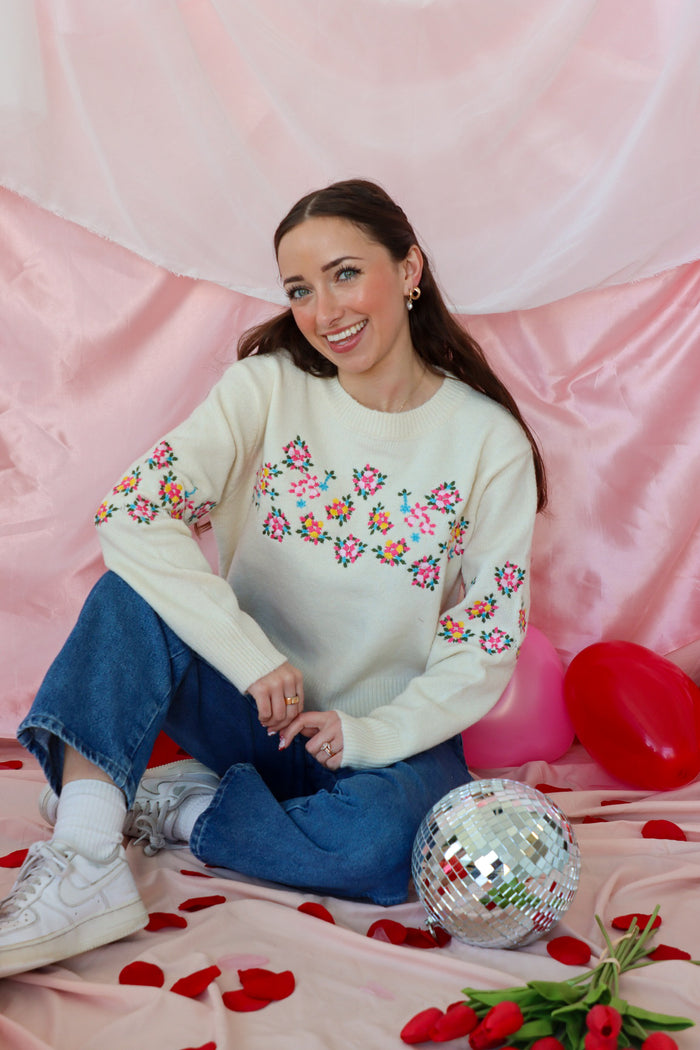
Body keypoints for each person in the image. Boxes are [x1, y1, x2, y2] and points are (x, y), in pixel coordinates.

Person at [0, 178, 546, 978]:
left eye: (346, 273)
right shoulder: (266, 389)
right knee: (131, 593)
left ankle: (182, 810)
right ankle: (84, 857)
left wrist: (369, 734)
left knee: (385, 846)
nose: (326, 310)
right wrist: (250, 654)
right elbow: (132, 513)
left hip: (377, 738)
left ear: (409, 269)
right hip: (250, 702)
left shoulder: (485, 441)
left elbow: (486, 642)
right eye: (300, 288)